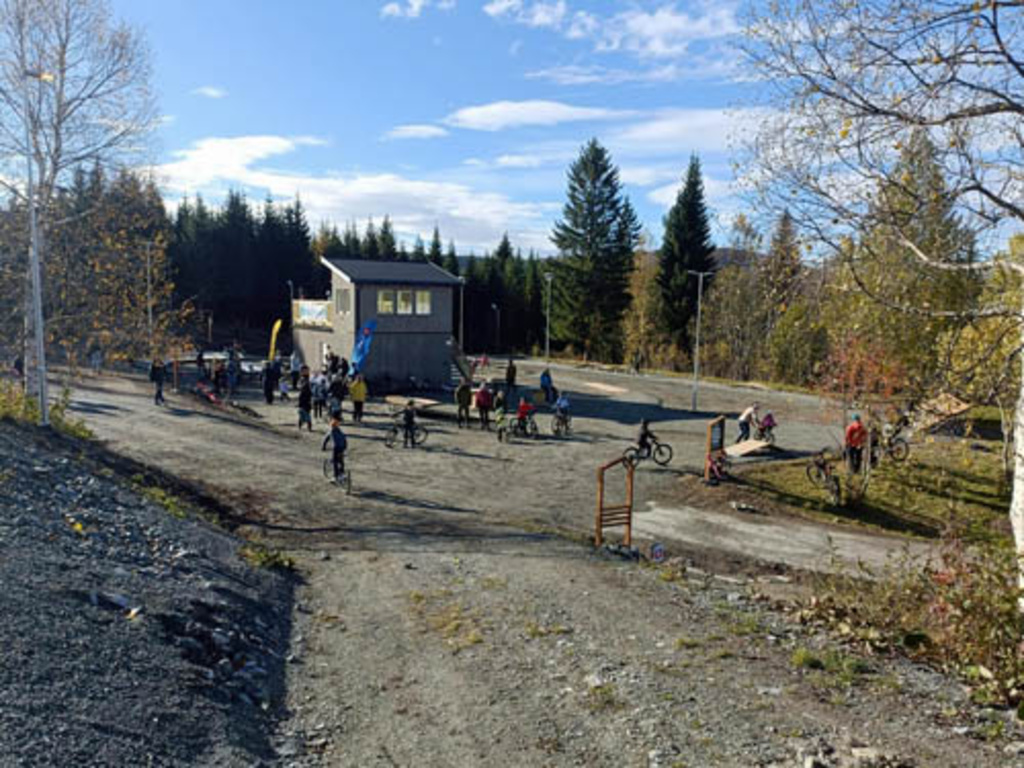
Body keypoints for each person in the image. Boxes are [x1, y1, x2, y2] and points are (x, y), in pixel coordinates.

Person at [321, 415, 348, 482]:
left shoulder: (331, 431)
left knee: (335, 462)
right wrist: (345, 447)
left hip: (336, 447)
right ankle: (342, 474)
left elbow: (326, 439)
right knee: (341, 460)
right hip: (342, 447)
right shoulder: (340, 431)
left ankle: (335, 476)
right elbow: (344, 439)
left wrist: (323, 447)